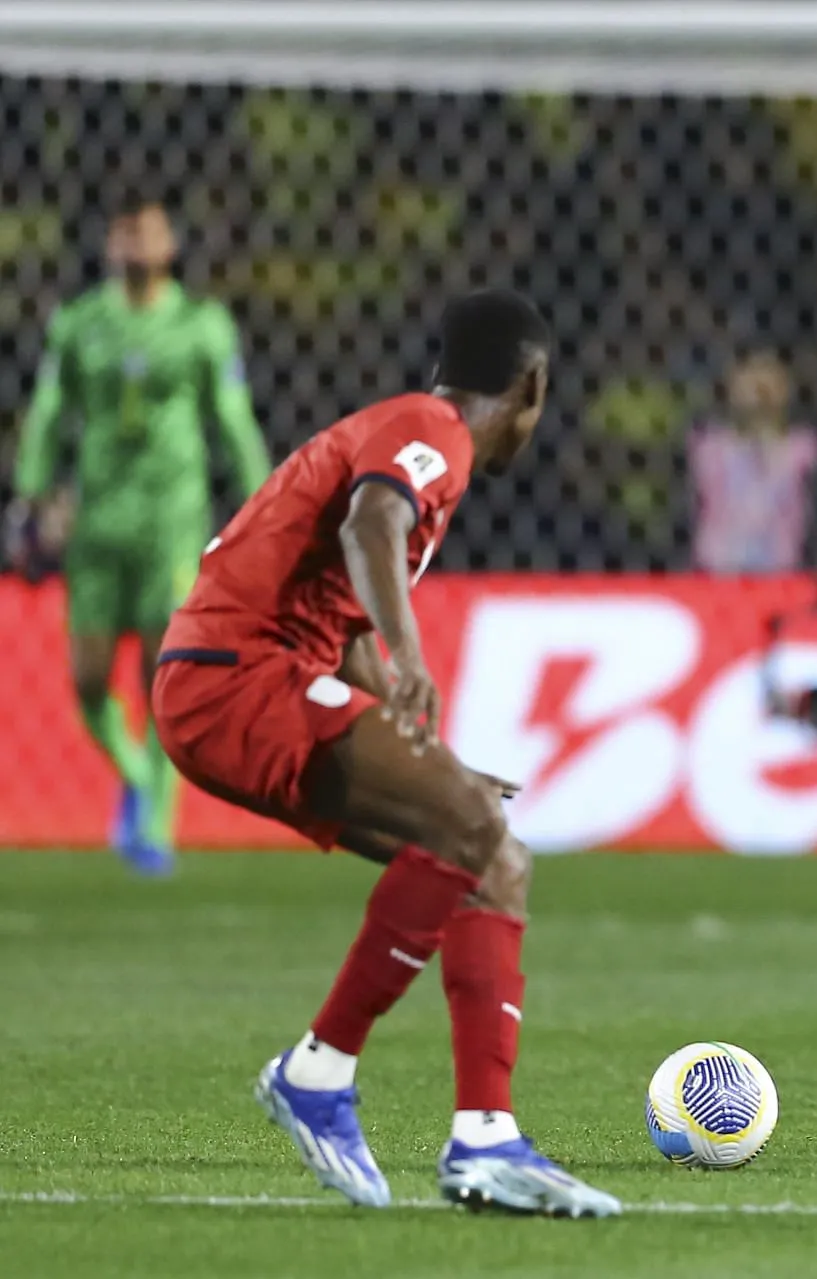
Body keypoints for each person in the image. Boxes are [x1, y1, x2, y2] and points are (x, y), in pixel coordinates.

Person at [150, 290, 619, 1217]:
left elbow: (347, 624)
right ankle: (316, 1072)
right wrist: (413, 662)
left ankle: (486, 1138)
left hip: (248, 679)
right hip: (233, 675)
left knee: (494, 859)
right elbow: (373, 524)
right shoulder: (431, 429)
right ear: (532, 384)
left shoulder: (409, 430)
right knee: (472, 826)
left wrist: (430, 762)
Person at [8, 197, 273, 875]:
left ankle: (156, 821)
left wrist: (264, 500)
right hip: (99, 521)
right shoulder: (80, 324)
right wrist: (33, 493)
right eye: (124, 228)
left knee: (166, 677)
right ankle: (135, 774)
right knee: (88, 680)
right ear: (109, 242)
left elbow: (232, 418)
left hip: (170, 522)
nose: (135, 239)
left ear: (170, 242)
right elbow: (49, 410)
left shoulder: (200, 325)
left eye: (148, 228)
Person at [688, 348, 817, 574]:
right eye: (751, 377)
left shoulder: (805, 448)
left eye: (769, 376)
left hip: (785, 571)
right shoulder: (708, 446)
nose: (760, 388)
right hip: (716, 570)